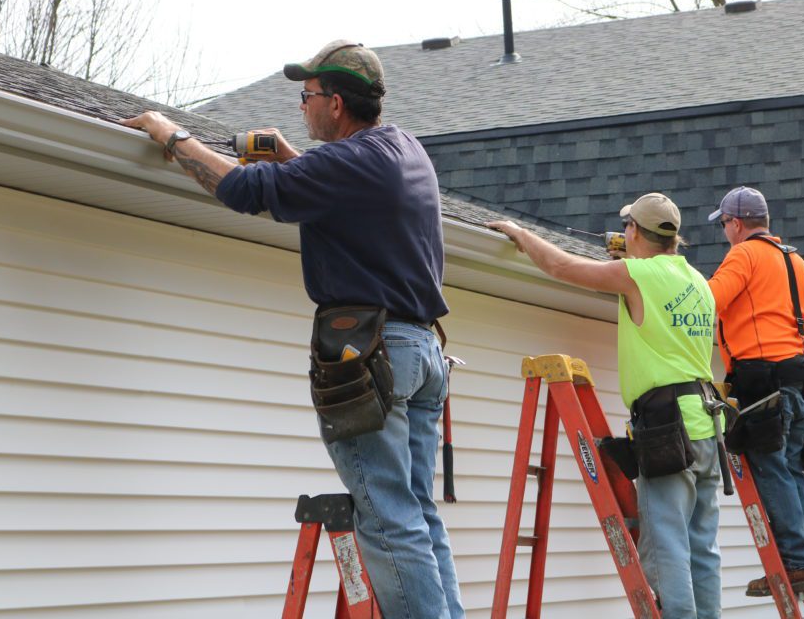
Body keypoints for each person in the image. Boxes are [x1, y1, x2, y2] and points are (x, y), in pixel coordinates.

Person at [122, 40, 464, 619]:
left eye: (306, 97)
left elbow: (238, 190)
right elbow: (343, 196)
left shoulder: (345, 164)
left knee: (387, 519)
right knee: (419, 513)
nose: (301, 108)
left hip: (375, 352)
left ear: (335, 104)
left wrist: (169, 134)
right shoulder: (404, 148)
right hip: (423, 352)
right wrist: (292, 160)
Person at [488, 193, 722, 619]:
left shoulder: (637, 275)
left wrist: (521, 235)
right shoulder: (698, 282)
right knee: (702, 549)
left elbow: (560, 267)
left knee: (666, 545)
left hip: (667, 429)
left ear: (634, 231)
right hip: (706, 424)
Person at [706, 185, 804, 597]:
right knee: (792, 471)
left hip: (764, 380)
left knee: (772, 468)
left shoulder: (744, 254)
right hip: (801, 380)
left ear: (736, 223)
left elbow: (711, 299)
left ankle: (794, 562)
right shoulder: (797, 262)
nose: (724, 233)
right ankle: (803, 561)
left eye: (723, 224)